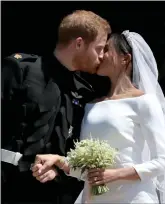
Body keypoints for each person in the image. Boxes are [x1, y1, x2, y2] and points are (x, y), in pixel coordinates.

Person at [32, 31, 165, 203]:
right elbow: (88, 172)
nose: (100, 55)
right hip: (94, 198)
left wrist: (114, 174)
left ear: (125, 59)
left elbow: (163, 161)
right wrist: (59, 161)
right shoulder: (91, 105)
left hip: (133, 197)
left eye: (107, 50)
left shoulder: (144, 102)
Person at [1, 10, 111, 204]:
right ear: (79, 43)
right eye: (99, 48)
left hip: (52, 195)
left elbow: (74, 149)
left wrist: (58, 172)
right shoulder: (21, 70)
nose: (102, 56)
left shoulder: (85, 93)